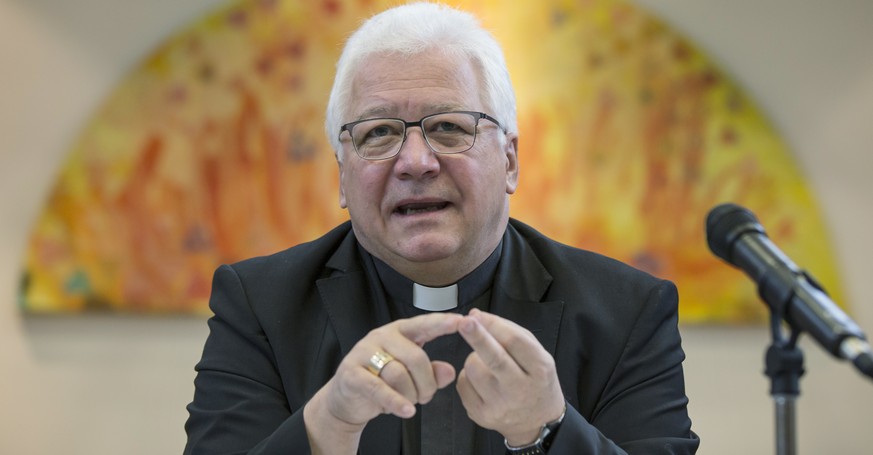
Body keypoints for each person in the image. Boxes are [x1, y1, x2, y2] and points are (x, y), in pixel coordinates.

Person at [184, 3, 699, 454]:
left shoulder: (628, 311)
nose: (415, 162)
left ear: (511, 161)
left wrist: (546, 432)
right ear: (342, 175)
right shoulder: (260, 304)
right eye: (379, 132)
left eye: (449, 126)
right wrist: (329, 424)